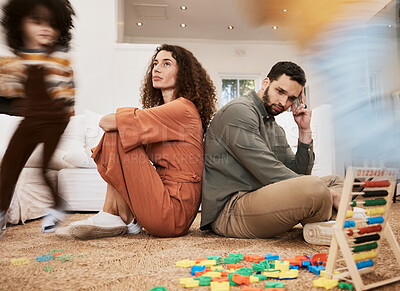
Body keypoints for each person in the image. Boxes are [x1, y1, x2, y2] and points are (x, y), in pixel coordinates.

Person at [57, 44, 217, 239]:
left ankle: (114, 215)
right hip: (165, 198)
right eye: (155, 63)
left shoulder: (181, 109)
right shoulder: (168, 112)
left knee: (117, 133)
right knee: (121, 134)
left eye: (167, 64)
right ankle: (120, 216)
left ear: (183, 73)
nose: (156, 69)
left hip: (173, 211)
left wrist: (125, 121)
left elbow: (105, 122)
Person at [200, 61, 345, 241]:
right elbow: (268, 170)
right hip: (231, 210)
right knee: (317, 189)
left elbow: (298, 173)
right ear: (266, 83)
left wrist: (304, 131)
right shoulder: (239, 111)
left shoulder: (273, 125)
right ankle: (324, 215)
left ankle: (319, 214)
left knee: (335, 181)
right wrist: (322, 191)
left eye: (291, 98)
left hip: (259, 197)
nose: (283, 102)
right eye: (280, 91)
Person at [0, 0, 75, 238]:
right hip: (30, 119)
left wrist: (64, 105)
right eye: (37, 22)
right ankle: (1, 212)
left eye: (52, 25)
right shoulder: (21, 59)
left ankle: (58, 205)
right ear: (19, 24)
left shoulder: (58, 57)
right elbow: (18, 88)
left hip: (54, 119)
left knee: (42, 169)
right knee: (8, 166)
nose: (46, 29)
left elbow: (68, 89)